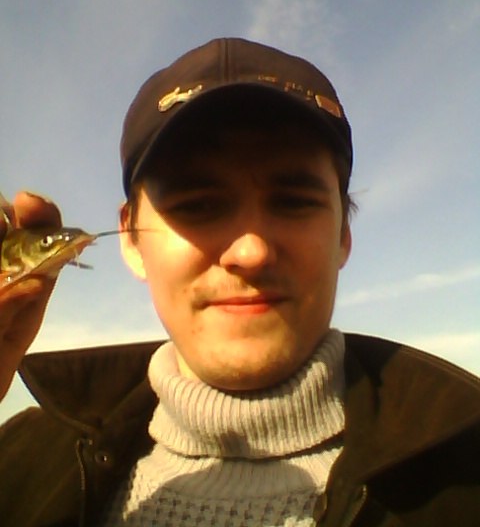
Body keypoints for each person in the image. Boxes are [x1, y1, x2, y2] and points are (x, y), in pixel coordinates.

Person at [0, 38, 479, 527]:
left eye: (294, 202)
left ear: (343, 236)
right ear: (132, 239)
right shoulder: (17, 460)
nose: (251, 253)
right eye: (198, 206)